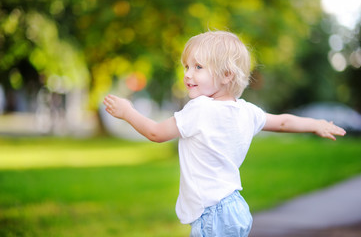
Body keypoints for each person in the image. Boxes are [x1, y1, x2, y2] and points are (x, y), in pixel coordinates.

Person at [103, 31, 346, 237]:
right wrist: (315, 124)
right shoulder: (246, 111)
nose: (188, 74)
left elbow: (156, 133)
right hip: (235, 207)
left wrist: (128, 112)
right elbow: (283, 122)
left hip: (212, 214)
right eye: (187, 66)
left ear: (227, 74)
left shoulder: (199, 108)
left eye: (198, 67)